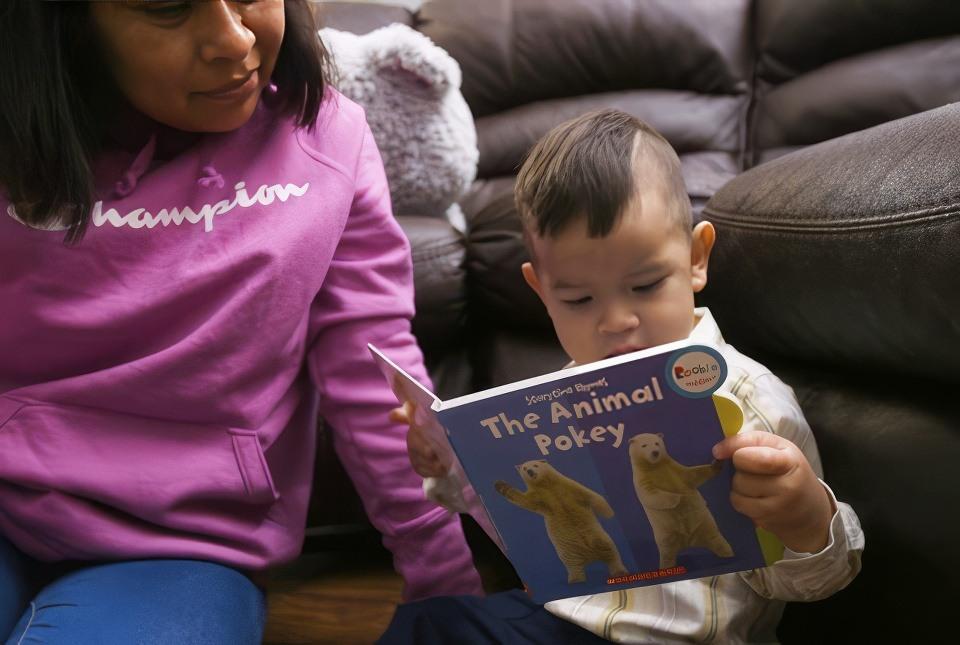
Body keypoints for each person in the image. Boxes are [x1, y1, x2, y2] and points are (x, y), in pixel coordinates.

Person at [0, 1, 482, 643]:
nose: (234, 40)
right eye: (169, 8)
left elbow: (378, 381)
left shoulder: (330, 140)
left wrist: (449, 587)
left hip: (181, 548)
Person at [385, 109, 864, 643]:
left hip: (682, 638)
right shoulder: (555, 400)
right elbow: (502, 513)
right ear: (541, 293)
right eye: (578, 299)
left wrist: (804, 520)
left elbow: (817, 580)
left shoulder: (750, 399)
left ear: (696, 258)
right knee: (427, 624)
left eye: (645, 285)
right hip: (560, 619)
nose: (616, 322)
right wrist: (444, 462)